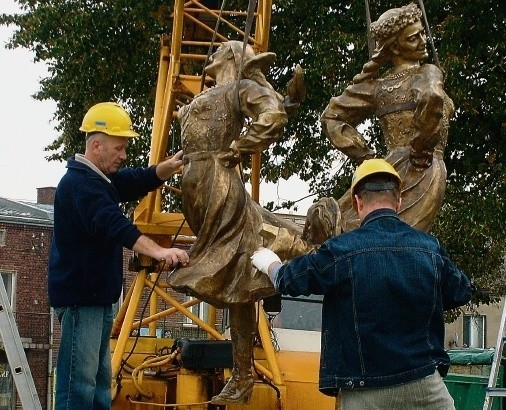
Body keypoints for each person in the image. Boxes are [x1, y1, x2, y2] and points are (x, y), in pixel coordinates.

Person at [251, 158, 472, 410]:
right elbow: (461, 292)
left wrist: (269, 263)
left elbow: (289, 281)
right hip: (423, 384)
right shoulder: (429, 248)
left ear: (357, 203)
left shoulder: (340, 251)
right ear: (398, 201)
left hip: (363, 391)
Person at [166, 41, 288, 405]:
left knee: (236, 275)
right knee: (235, 276)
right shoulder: (208, 96)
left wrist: (241, 147)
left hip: (219, 183)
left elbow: (274, 114)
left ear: (234, 57)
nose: (211, 53)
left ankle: (243, 375)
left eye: (220, 48)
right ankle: (241, 375)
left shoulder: (241, 88)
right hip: (195, 186)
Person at [48, 102, 190, 409]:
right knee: (79, 385)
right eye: (119, 148)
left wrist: (163, 169)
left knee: (99, 382)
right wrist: (160, 251)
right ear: (96, 145)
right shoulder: (81, 185)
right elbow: (116, 226)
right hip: (81, 300)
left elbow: (130, 181)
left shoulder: (98, 180)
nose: (123, 155)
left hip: (96, 298)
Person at [320, 3, 454, 233]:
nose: (423, 41)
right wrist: (418, 148)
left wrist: (367, 158)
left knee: (364, 231)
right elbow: (432, 97)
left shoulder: (381, 86)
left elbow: (332, 116)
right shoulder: (426, 73)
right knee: (389, 236)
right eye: (413, 38)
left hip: (408, 172)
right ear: (394, 47)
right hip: (420, 167)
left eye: (422, 33)